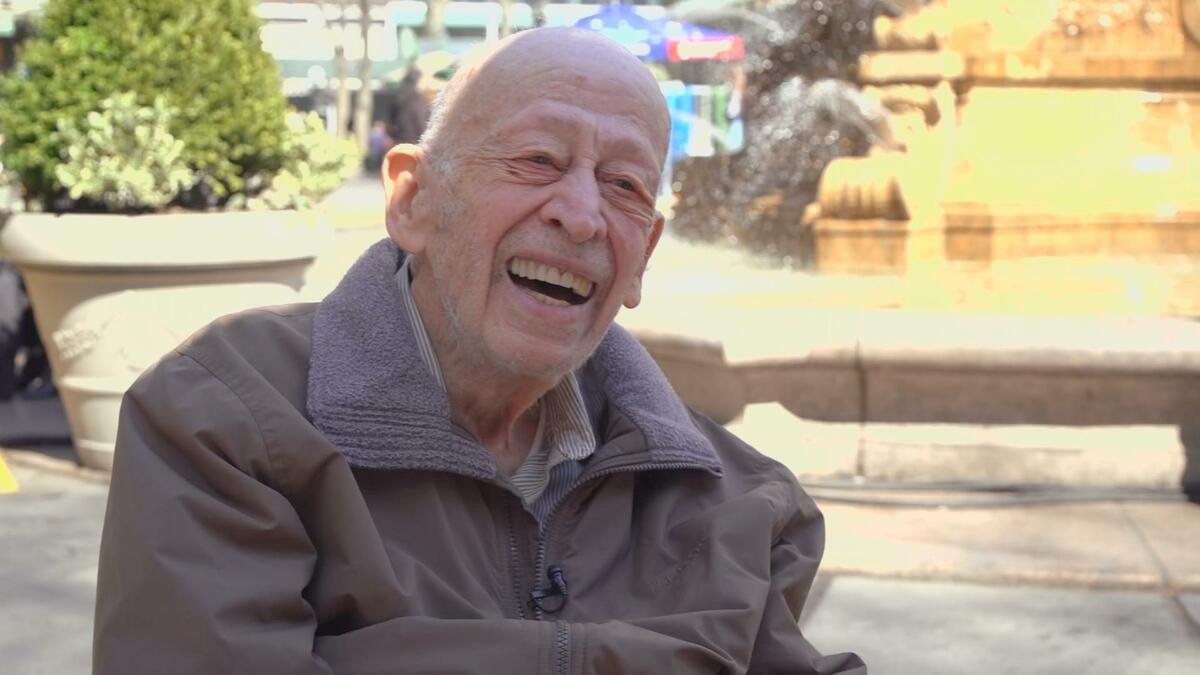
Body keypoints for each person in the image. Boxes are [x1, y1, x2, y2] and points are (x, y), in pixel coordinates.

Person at [94, 28, 865, 674]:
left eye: (626, 185)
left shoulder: (741, 502)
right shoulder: (226, 418)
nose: (582, 216)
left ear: (645, 254)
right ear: (412, 200)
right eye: (537, 159)